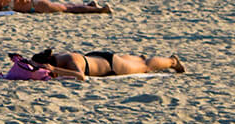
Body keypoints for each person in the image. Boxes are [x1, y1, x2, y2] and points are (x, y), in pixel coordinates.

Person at [23, 48, 185, 80]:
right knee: (138, 61)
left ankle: (172, 61)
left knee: (145, 66)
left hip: (111, 66)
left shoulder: (70, 63)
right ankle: (135, 57)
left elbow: (81, 76)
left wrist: (53, 70)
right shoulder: (58, 57)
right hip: (96, 57)